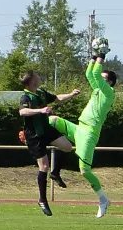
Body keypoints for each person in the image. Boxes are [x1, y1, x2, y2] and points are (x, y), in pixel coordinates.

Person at [49, 38, 116, 218]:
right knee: (51, 120)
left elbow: (95, 74)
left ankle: (103, 199)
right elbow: (89, 74)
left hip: (89, 134)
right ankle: (51, 164)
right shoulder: (98, 90)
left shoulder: (108, 93)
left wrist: (101, 55)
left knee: (84, 171)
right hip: (79, 128)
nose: (98, 78)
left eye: (103, 77)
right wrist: (94, 56)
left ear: (109, 82)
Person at [18, 70, 80, 216]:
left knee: (67, 146)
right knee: (43, 165)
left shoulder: (41, 93)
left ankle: (55, 172)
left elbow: (57, 98)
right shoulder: (25, 97)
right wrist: (41, 110)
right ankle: (42, 199)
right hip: (34, 135)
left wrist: (71, 94)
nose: (40, 78)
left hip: (46, 130)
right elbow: (22, 112)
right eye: (37, 77)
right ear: (32, 80)